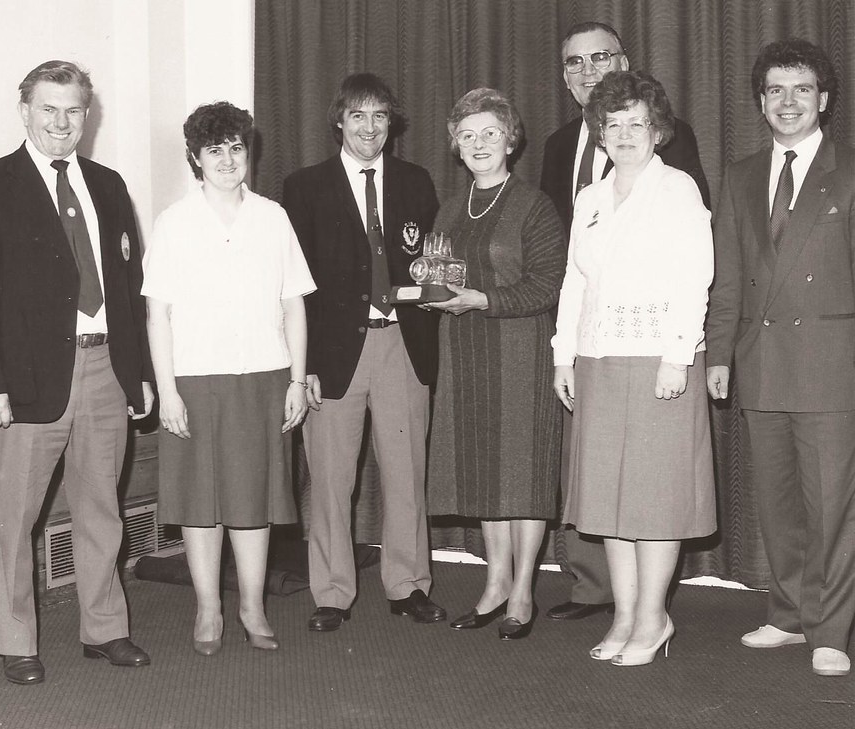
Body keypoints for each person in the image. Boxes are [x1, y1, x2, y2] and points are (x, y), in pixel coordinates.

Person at [0, 61, 153, 686]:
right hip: (25, 379)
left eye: (73, 110)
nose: (61, 122)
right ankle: (17, 641)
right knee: (17, 517)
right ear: (24, 111)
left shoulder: (109, 183)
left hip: (105, 367)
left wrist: (138, 372)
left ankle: (105, 628)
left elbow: (127, 288)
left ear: (87, 115)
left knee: (102, 507)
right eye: (49, 108)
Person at [539, 20, 710, 623]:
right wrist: (564, 355)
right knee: (608, 499)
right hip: (598, 359)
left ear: (658, 130)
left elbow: (696, 277)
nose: (626, 133)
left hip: (657, 361)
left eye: (638, 122)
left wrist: (677, 355)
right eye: (614, 124)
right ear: (599, 132)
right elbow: (574, 281)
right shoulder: (590, 199)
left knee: (655, 501)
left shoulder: (678, 189)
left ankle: (652, 619)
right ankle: (625, 614)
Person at [706, 39, 855, 678]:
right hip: (759, 362)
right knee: (777, 501)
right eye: (774, 90)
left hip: (831, 365)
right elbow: (730, 277)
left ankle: (831, 628)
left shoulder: (849, 170)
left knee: (831, 508)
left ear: (823, 99)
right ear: (761, 103)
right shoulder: (740, 175)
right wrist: (718, 355)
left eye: (800, 89)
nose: (787, 102)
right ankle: (790, 613)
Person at [143, 102, 314, 655]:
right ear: (195, 157)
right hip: (194, 380)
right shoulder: (174, 222)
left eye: (236, 148)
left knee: (253, 500)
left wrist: (296, 378)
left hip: (263, 377)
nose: (227, 159)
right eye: (214, 149)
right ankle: (208, 609)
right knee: (200, 503)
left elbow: (294, 307)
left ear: (249, 153)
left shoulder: (273, 217)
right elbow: (157, 315)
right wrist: (166, 390)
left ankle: (252, 606)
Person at [282, 72, 444, 632]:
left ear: (391, 124)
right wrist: (302, 370)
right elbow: (293, 286)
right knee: (329, 479)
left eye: (379, 117)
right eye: (357, 116)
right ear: (339, 122)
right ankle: (331, 593)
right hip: (333, 357)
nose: (369, 128)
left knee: (407, 473)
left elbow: (432, 265)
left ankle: (408, 585)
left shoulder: (417, 181)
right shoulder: (304, 187)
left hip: (404, 344)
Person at [424, 89, 565, 640]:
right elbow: (439, 273)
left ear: (510, 139)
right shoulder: (450, 208)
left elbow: (547, 285)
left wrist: (483, 299)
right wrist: (427, 288)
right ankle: (494, 581)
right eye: (467, 135)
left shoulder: (535, 205)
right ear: (456, 147)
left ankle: (524, 588)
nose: (478, 144)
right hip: (465, 353)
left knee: (523, 472)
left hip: (520, 351)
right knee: (483, 468)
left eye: (489, 133)